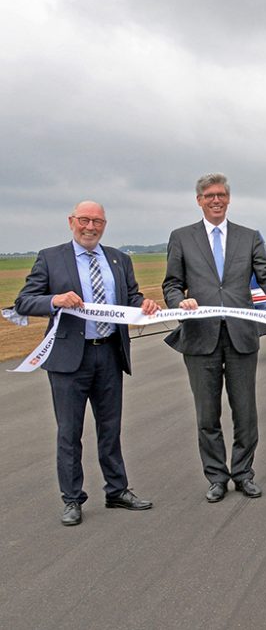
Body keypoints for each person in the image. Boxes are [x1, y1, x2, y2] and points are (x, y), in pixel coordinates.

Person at [14, 201, 160, 526]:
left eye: (97, 221)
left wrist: (144, 304)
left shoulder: (119, 259)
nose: (90, 227)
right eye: (84, 220)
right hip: (69, 360)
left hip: (109, 354)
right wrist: (55, 300)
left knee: (110, 429)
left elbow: (131, 297)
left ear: (104, 225)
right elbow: (24, 301)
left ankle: (117, 490)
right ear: (71, 221)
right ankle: (72, 499)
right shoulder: (50, 258)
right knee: (69, 432)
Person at [162, 173, 266, 503]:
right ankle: (215, 477)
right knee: (207, 414)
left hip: (241, 336)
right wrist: (177, 304)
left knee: (245, 411)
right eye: (209, 195)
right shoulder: (181, 238)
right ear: (199, 200)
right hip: (200, 337)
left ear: (228, 199)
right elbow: (171, 283)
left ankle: (243, 473)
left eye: (221, 195)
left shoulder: (248, 237)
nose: (216, 200)